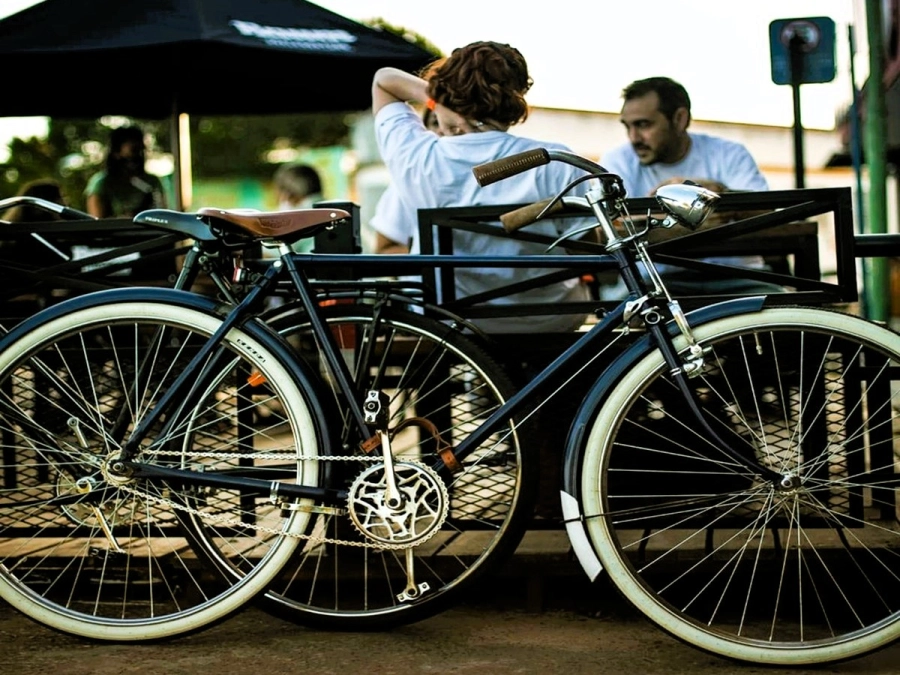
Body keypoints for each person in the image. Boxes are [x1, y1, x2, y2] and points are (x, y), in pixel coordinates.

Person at [371, 42, 596, 333]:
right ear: (517, 96)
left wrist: (440, 99)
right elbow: (587, 251)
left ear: (443, 91)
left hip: (451, 322)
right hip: (549, 316)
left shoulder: (416, 157)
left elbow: (384, 80)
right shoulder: (554, 158)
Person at [599, 76, 779, 296]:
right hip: (658, 285)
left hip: (737, 278)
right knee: (622, 316)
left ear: (680, 119)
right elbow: (609, 229)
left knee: (791, 310)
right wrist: (708, 215)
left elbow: (769, 218)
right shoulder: (618, 161)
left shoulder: (729, 154)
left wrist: (717, 191)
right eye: (628, 126)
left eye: (644, 124)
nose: (634, 137)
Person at [85, 125, 167, 219]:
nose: (137, 158)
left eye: (140, 150)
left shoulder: (151, 182)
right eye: (133, 151)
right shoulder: (101, 183)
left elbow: (162, 215)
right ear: (116, 153)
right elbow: (96, 221)